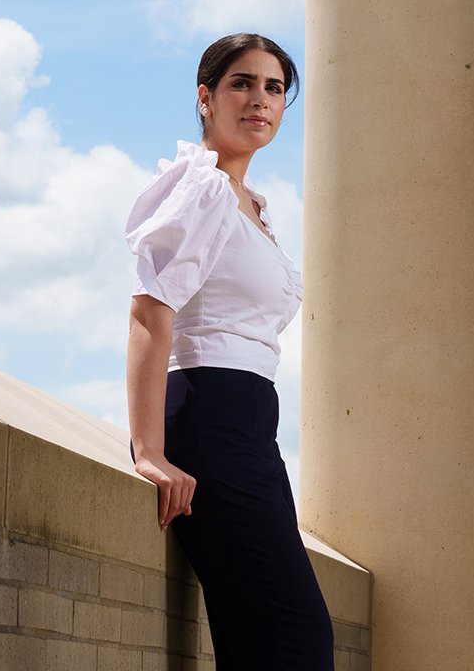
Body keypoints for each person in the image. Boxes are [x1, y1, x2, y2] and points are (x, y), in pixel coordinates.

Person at [124, 33, 333, 670]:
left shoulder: (253, 208)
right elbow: (150, 311)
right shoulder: (203, 189)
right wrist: (150, 450)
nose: (260, 100)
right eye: (242, 83)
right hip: (210, 418)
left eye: (274, 88)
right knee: (296, 638)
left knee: (264, 638)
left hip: (251, 427)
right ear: (206, 97)